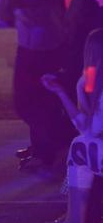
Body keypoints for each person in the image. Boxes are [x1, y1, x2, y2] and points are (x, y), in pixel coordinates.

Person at [0, 0, 88, 174]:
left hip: (29, 47)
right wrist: (71, 15)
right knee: (51, 97)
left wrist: (18, 14)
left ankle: (52, 151)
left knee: (27, 101)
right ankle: (43, 149)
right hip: (57, 42)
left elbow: (2, 12)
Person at [42, 28, 103, 223]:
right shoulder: (87, 83)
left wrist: (61, 93)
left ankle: (70, 213)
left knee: (80, 147)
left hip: (90, 149)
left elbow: (85, 127)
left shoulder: (88, 83)